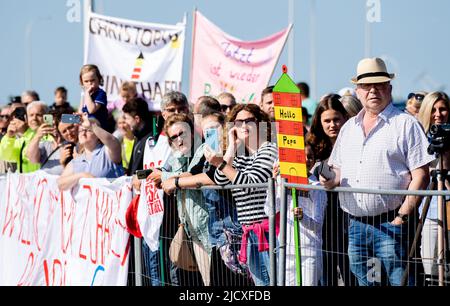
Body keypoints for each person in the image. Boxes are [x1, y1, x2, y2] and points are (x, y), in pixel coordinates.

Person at [322, 57, 435, 286]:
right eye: (366, 86)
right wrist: (322, 174)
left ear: (389, 88)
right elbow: (336, 171)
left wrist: (403, 215)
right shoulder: (348, 128)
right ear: (358, 91)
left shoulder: (406, 124)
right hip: (356, 225)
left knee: (399, 281)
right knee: (365, 282)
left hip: (391, 223)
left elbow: (421, 174)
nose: (373, 90)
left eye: (379, 85)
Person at [204, 103, 278, 286]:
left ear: (260, 123)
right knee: (261, 284)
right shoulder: (240, 156)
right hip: (248, 231)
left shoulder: (269, 150)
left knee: (273, 282)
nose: (243, 126)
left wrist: (221, 164)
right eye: (238, 122)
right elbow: (221, 181)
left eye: (249, 121)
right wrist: (231, 147)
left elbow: (250, 184)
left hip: (268, 232)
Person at [306, 94, 354, 286]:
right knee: (326, 279)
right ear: (320, 122)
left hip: (349, 221)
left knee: (352, 276)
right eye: (327, 120)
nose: (332, 125)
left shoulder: (354, 144)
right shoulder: (313, 148)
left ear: (345, 119)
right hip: (322, 223)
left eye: (336, 119)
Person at [269, 141, 327, 286]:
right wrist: (274, 183)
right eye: (302, 156)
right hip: (287, 248)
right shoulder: (283, 182)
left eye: (310, 157)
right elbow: (269, 210)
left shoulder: (317, 187)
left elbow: (318, 225)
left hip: (310, 251)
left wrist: (303, 218)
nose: (307, 160)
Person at [416, 91, 450, 284]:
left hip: (448, 208)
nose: (438, 114)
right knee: (430, 267)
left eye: (443, 109)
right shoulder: (420, 138)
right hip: (430, 212)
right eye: (433, 109)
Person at [57, 113, 123, 190]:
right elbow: (60, 184)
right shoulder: (77, 160)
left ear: (98, 135)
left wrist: (92, 126)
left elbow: (113, 141)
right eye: (81, 130)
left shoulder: (107, 152)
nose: (83, 133)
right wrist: (81, 176)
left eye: (88, 130)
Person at [26, 111, 79, 175]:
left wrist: (76, 119)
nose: (54, 127)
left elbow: (78, 121)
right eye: (51, 124)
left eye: (56, 124)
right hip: (44, 182)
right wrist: (38, 136)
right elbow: (32, 159)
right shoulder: (45, 144)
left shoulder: (71, 142)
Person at [0, 106, 40, 173]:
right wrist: (9, 137)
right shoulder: (19, 141)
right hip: (24, 181)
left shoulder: (43, 135)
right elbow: (6, 156)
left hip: (42, 180)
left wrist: (26, 130)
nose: (14, 121)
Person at [78, 64, 108, 130]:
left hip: (99, 128)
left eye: (92, 80)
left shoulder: (101, 93)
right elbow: (80, 111)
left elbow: (91, 110)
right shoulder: (85, 95)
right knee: (65, 121)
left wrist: (87, 94)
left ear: (99, 79)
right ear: (82, 82)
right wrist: (78, 115)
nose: (90, 83)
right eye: (86, 81)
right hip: (87, 127)